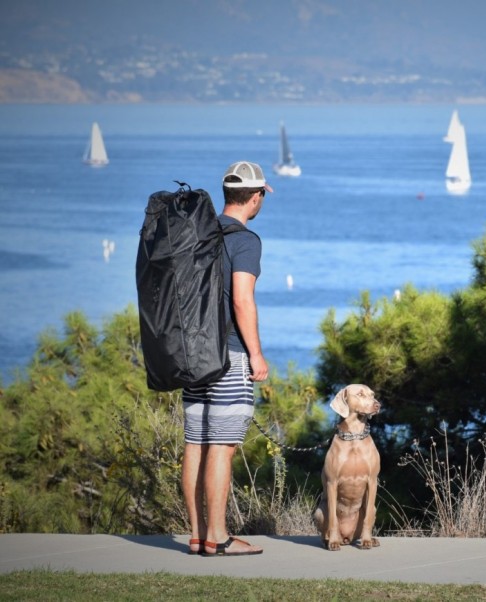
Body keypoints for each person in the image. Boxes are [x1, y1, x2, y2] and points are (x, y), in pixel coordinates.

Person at [181, 161, 272, 556]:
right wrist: (255, 354)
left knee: (194, 443)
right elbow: (242, 299)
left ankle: (199, 534)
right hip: (228, 355)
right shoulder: (246, 240)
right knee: (222, 445)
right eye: (262, 196)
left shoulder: (197, 234)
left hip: (191, 353)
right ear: (255, 197)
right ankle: (218, 537)